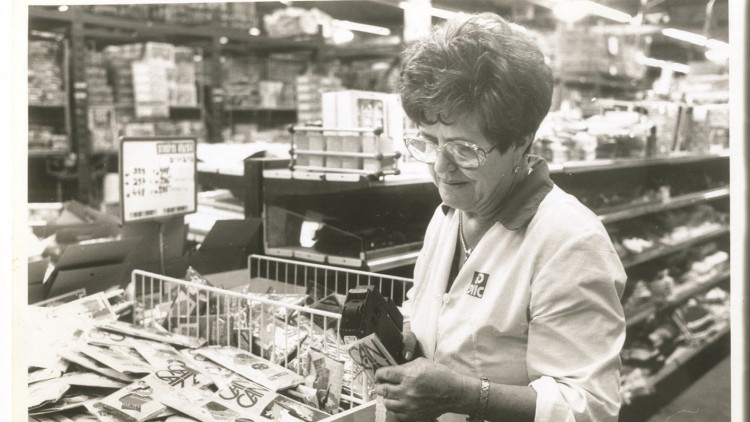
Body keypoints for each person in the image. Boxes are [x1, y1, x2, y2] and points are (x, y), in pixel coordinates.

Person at [373, 12, 626, 422]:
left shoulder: (570, 241)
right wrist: (411, 335)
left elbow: (589, 407)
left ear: (521, 142)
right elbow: (443, 313)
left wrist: (464, 396)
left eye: (464, 150)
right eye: (430, 142)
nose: (441, 167)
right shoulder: (449, 214)